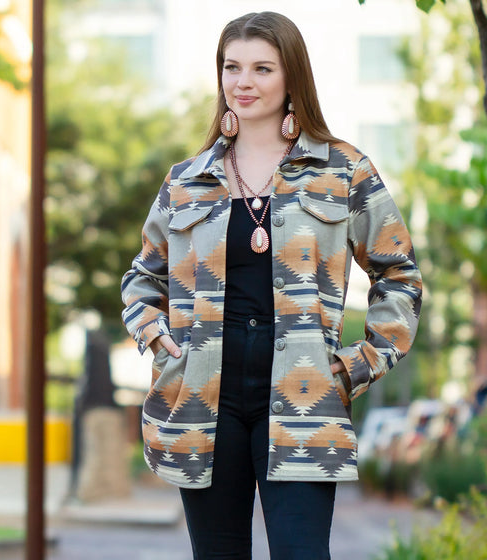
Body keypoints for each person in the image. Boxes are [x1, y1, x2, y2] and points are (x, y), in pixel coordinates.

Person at [121, 11, 422, 560]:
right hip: (203, 393)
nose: (243, 82)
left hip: (305, 391)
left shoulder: (344, 170)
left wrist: (359, 363)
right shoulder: (186, 180)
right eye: (231, 67)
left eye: (262, 68)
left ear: (291, 77)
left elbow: (398, 272)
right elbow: (142, 276)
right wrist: (157, 336)